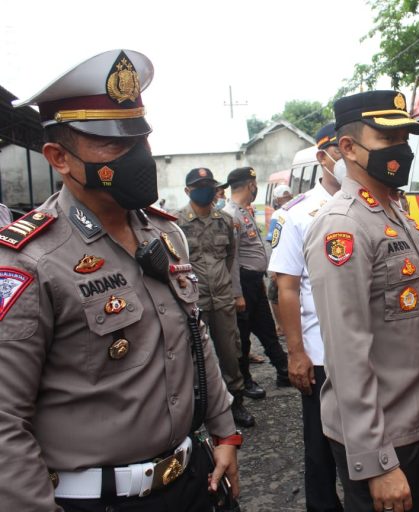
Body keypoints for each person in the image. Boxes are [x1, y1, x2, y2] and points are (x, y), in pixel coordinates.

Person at [0, 49, 240, 511]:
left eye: (141, 139)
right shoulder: (31, 260)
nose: (138, 157)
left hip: (194, 481)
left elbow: (195, 336)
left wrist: (225, 429)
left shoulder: (165, 232)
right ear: (59, 158)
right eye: (114, 144)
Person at [303, 90, 419, 512]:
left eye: (405, 137)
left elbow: (416, 326)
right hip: (380, 439)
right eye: (388, 139)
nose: (401, 150)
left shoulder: (394, 213)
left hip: (412, 425)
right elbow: (348, 356)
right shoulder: (344, 226)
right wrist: (377, 464)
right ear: (348, 147)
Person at [269, 122, 345, 512]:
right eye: (342, 151)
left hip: (368, 350)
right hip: (320, 353)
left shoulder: (378, 203)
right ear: (323, 158)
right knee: (320, 450)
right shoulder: (296, 215)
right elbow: (287, 288)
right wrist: (294, 351)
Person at [175, 168, 256, 427]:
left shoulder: (224, 220)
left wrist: (233, 292)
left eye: (209, 185)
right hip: (193, 301)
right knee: (194, 356)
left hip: (221, 298)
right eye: (199, 186)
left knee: (230, 353)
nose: (206, 190)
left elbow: (230, 257)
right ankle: (201, 410)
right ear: (188, 191)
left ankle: (236, 404)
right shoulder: (175, 223)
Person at [223, 167, 291, 391]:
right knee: (242, 337)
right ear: (251, 185)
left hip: (254, 282)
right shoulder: (231, 214)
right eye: (255, 184)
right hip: (243, 283)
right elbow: (231, 259)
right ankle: (245, 382)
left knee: (267, 329)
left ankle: (284, 372)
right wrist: (237, 293)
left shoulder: (244, 211)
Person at [265, 183, 294, 337]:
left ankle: (282, 326)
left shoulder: (277, 214)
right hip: (300, 260)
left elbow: (272, 242)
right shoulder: (300, 210)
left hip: (284, 261)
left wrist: (274, 268)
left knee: (275, 294)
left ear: (277, 200)